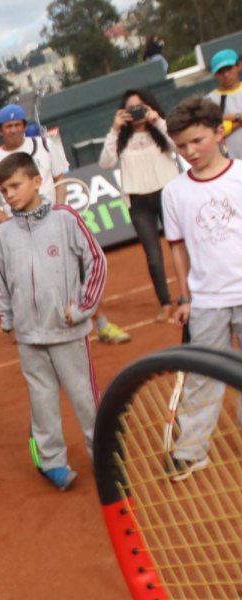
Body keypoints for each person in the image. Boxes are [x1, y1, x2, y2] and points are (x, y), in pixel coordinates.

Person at [0, 152, 107, 492]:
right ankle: (52, 462)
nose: (9, 195)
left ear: (37, 181)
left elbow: (96, 261)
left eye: (14, 186)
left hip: (68, 331)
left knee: (86, 399)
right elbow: (3, 281)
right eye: (3, 190)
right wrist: (8, 320)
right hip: (29, 336)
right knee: (41, 403)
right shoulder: (3, 235)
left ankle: (102, 456)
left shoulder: (65, 218)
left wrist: (84, 307)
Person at [0, 103, 130, 345]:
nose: (13, 130)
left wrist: (59, 210)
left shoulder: (45, 146)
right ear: (0, 130)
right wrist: (15, 229)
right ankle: (37, 332)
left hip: (53, 224)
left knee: (76, 272)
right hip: (22, 230)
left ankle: (101, 324)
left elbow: (61, 180)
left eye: (18, 125)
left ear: (24, 126)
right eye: (8, 126)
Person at [161, 96, 242, 480]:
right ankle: (191, 450)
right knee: (202, 376)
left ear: (218, 131)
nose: (190, 152)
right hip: (207, 301)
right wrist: (184, 296)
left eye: (197, 141)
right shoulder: (174, 193)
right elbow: (177, 247)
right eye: (181, 146)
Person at [99, 88, 181, 324]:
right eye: (131, 109)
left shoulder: (160, 129)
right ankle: (165, 303)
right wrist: (115, 128)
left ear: (149, 106)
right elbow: (106, 163)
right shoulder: (121, 139)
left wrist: (158, 120)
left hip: (168, 195)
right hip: (138, 202)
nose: (136, 112)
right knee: (153, 257)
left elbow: (178, 146)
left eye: (140, 106)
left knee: (181, 247)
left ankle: (191, 296)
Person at [206, 49, 242, 159]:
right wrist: (238, 117)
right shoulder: (209, 100)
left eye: (229, 69)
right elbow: (213, 132)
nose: (226, 75)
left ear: (238, 66)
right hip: (232, 161)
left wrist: (226, 118)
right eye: (221, 71)